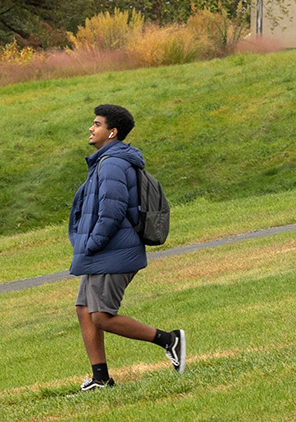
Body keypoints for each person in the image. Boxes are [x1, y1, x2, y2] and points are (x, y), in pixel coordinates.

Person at [69, 104, 185, 390]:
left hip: (113, 250)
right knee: (84, 309)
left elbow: (112, 210)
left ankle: (170, 339)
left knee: (102, 316)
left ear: (112, 132)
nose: (91, 128)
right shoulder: (105, 161)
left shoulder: (112, 164)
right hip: (102, 251)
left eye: (97, 124)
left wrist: (92, 243)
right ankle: (100, 378)